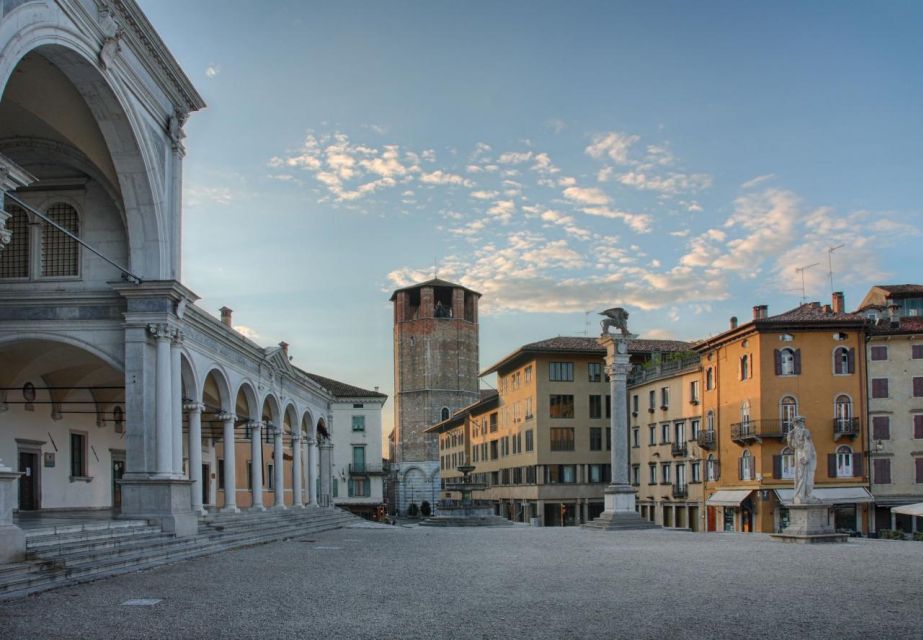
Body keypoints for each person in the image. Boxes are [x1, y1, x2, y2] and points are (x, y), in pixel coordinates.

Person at [786, 416, 818, 504]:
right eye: (802, 422)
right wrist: (806, 457)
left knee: (800, 475)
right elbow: (807, 444)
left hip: (798, 454)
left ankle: (800, 495)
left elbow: (791, 446)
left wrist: (789, 439)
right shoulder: (804, 431)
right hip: (805, 454)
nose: (803, 423)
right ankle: (805, 495)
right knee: (807, 476)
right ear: (800, 423)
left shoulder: (792, 433)